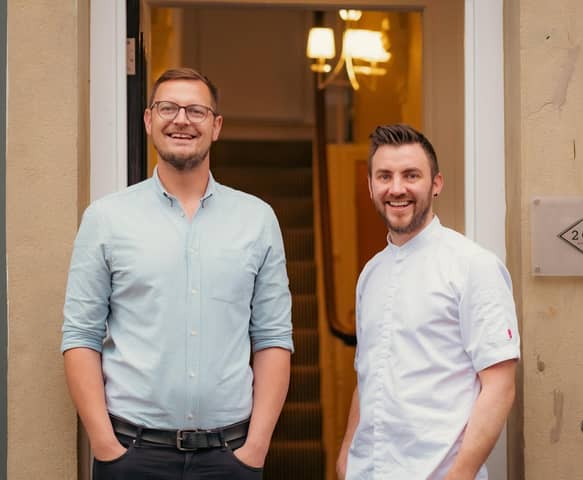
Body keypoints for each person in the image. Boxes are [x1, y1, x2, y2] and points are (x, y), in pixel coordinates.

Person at [61, 67, 293, 479]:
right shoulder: (106, 219)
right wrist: (106, 447)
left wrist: (256, 448)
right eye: (168, 108)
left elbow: (273, 338)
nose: (181, 120)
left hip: (231, 458)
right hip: (132, 455)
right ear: (149, 120)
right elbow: (80, 335)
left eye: (196, 111)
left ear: (216, 126)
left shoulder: (257, 220)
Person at [336, 124, 520, 480]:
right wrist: (346, 456)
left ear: (436, 184)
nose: (397, 188)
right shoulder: (370, 274)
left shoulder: (472, 266)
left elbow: (499, 386)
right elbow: (369, 376)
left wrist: (459, 476)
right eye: (384, 176)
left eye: (411, 175)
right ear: (371, 186)